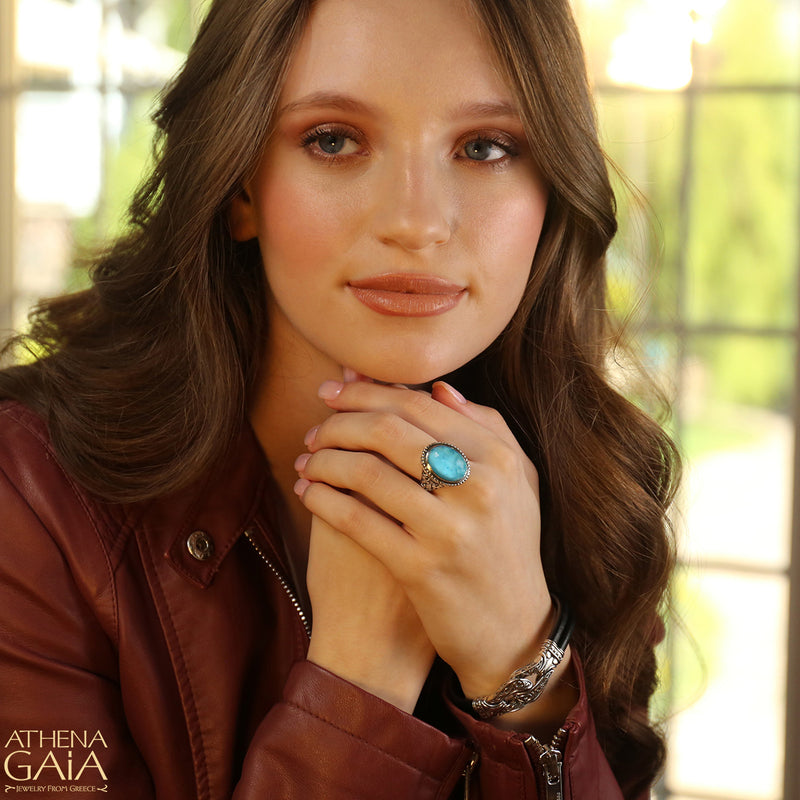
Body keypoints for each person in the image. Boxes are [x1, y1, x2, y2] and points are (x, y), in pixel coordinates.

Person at [0, 0, 679, 797]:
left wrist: (523, 668)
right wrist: (358, 688)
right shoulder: (31, 500)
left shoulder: (584, 487)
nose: (417, 222)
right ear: (241, 187)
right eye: (334, 140)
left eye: (486, 146)